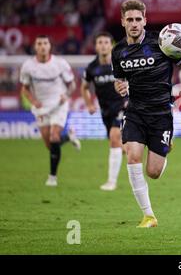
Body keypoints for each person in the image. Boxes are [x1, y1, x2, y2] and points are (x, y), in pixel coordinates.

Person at [112, 0, 181, 228]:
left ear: (145, 20)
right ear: (122, 21)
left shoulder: (162, 43)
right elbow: (119, 81)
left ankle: (165, 147)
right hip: (134, 112)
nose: (134, 24)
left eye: (138, 19)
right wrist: (119, 86)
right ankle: (148, 215)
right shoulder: (118, 51)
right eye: (129, 19)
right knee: (132, 155)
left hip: (161, 114)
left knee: (152, 172)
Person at [20, 35, 81, 187]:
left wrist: (65, 96)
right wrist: (33, 101)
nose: (42, 46)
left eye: (45, 43)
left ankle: (52, 177)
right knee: (50, 145)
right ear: (35, 47)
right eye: (39, 43)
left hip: (59, 104)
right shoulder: (28, 66)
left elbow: (72, 85)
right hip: (41, 108)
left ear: (49, 46)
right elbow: (25, 89)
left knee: (54, 137)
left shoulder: (60, 64)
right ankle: (69, 137)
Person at [81, 32, 127, 191]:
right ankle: (137, 146)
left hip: (123, 106)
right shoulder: (92, 68)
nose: (103, 45)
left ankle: (111, 182)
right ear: (95, 46)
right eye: (99, 42)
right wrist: (88, 104)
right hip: (105, 110)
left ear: (111, 45)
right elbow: (84, 87)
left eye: (106, 42)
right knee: (119, 146)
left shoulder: (120, 64)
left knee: (114, 138)